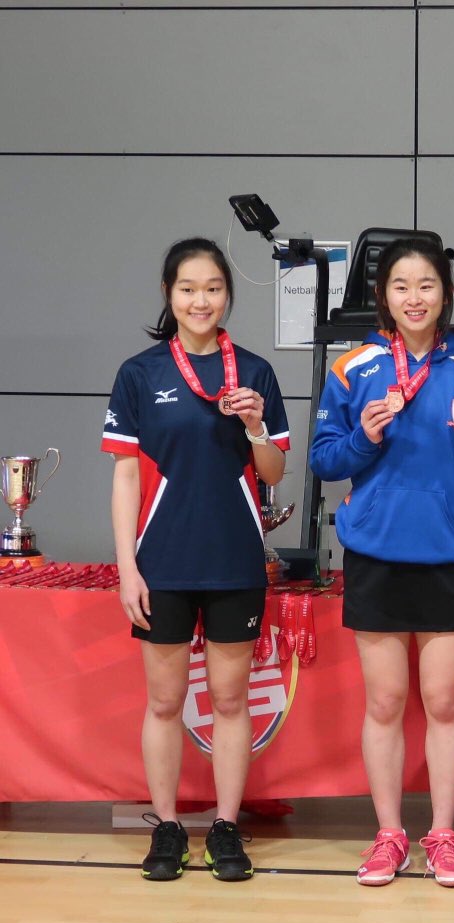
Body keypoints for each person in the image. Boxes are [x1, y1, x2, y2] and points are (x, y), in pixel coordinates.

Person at [309, 237, 454, 888]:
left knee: (443, 700)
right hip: (375, 554)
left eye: (426, 285)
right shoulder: (355, 370)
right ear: (383, 297)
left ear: (444, 295)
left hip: (448, 557)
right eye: (400, 286)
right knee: (387, 701)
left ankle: (443, 835)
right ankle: (389, 834)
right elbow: (324, 461)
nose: (413, 298)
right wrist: (363, 436)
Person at [102, 237, 289, 882]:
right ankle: (167, 828)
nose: (200, 299)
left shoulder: (255, 373)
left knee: (231, 701)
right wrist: (128, 568)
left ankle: (228, 827)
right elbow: (126, 478)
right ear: (169, 295)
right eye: (187, 288)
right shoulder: (140, 373)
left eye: (211, 287)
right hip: (162, 565)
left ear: (226, 295)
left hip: (235, 562)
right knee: (163, 701)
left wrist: (258, 428)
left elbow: (275, 472)